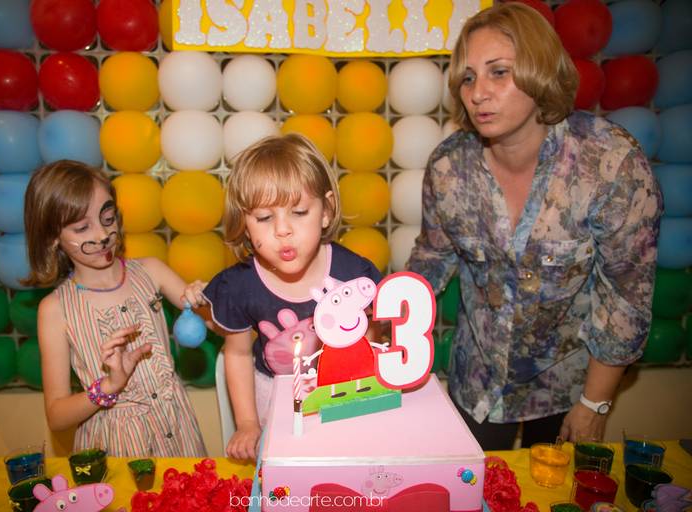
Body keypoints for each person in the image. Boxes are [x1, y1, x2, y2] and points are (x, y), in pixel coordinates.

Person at [407, 2, 662, 450]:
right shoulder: (449, 166)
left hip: (570, 390)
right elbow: (432, 257)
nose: (478, 93)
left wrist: (595, 404)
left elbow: (625, 296)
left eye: (499, 72)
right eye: (468, 78)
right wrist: (380, 323)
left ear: (539, 71)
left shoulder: (608, 163)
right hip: (477, 383)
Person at [204, 133, 382, 460]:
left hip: (340, 389)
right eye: (264, 217)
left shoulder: (354, 275)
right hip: (271, 395)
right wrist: (247, 423)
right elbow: (238, 355)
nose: (282, 230)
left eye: (299, 212)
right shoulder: (238, 285)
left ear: (326, 211)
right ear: (245, 225)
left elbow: (368, 341)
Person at [23, 160, 206, 457]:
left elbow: (215, 321)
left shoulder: (152, 271)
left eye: (108, 219)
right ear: (52, 237)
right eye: (82, 228)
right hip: (118, 448)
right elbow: (57, 417)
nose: (102, 235)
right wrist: (109, 386)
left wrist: (207, 298)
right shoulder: (54, 309)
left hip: (179, 432)